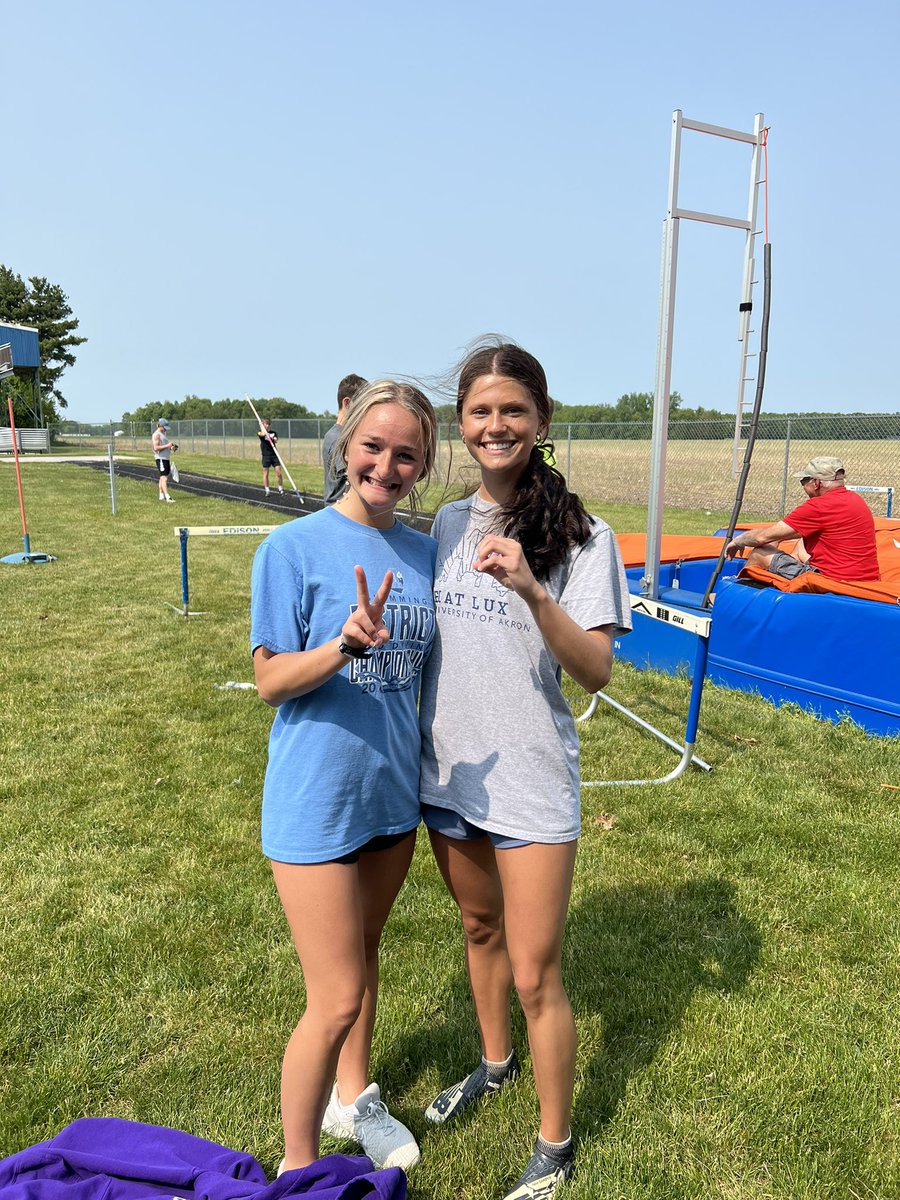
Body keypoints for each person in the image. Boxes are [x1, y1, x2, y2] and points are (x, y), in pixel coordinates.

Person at [418, 341, 631, 1200]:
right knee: (480, 932)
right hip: (451, 775)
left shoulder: (583, 535)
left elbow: (595, 672)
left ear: (541, 421)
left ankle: (555, 1143)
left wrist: (534, 594)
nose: (495, 425)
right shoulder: (442, 524)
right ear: (461, 424)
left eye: (513, 410)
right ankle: (494, 1063)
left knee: (538, 970)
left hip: (534, 783)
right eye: (480, 411)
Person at [251, 380, 438, 1175]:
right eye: (374, 447)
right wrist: (343, 647)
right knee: (333, 997)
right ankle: (297, 1170)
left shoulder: (426, 552)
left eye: (406, 455)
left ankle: (353, 1098)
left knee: (364, 959)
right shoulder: (290, 549)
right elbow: (268, 679)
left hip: (392, 799)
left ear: (424, 465)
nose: (386, 466)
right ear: (345, 445)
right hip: (315, 802)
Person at [725, 455, 880, 581]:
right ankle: (776, 582)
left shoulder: (819, 506)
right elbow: (794, 532)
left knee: (760, 552)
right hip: (864, 578)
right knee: (801, 544)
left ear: (816, 483)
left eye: (803, 482)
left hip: (831, 581)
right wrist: (776, 539)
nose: (803, 487)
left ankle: (735, 594)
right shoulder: (856, 500)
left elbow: (760, 538)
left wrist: (738, 540)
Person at [323, 373, 368, 503]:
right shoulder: (338, 437)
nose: (366, 409)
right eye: (362, 403)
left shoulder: (342, 435)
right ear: (347, 403)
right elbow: (352, 478)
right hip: (340, 510)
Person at [152, 418, 178, 503]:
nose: (166, 429)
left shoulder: (163, 434)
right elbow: (156, 448)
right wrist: (167, 446)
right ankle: (168, 497)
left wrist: (171, 447)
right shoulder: (156, 435)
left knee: (162, 477)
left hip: (165, 458)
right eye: (165, 427)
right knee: (164, 478)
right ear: (161, 425)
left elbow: (164, 446)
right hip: (161, 458)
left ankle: (161, 495)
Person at [257, 417, 284, 495]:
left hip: (274, 455)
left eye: (268, 424)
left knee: (279, 473)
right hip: (266, 456)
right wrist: (261, 427)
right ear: (263, 425)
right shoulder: (259, 432)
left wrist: (273, 438)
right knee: (266, 473)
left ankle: (280, 488)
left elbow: (276, 440)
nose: (267, 425)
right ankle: (267, 489)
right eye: (266, 424)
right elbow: (263, 434)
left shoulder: (273, 433)